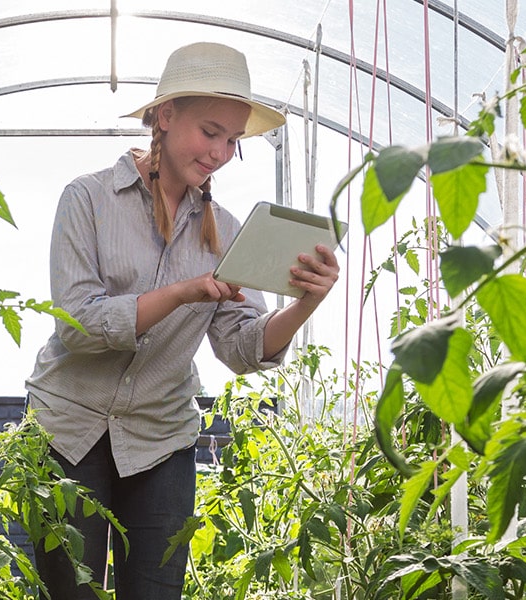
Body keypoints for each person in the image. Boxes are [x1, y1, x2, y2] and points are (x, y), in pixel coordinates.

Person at [23, 41, 340, 599]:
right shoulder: (88, 200)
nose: (220, 152)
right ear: (165, 118)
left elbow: (242, 348)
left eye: (234, 141)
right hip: (66, 436)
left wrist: (304, 304)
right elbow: (75, 325)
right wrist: (181, 292)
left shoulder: (230, 233)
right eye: (210, 132)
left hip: (160, 441)